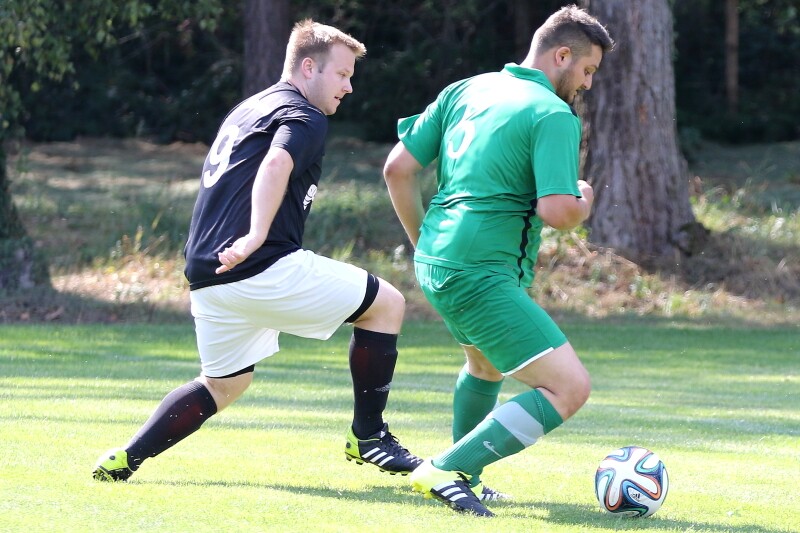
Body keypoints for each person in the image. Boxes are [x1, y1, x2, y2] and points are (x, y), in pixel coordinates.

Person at [93, 19, 421, 483]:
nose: (349, 87)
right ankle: (369, 437)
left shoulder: (250, 109)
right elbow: (275, 164)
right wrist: (253, 237)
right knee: (386, 305)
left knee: (224, 383)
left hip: (207, 275)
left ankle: (125, 458)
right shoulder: (305, 115)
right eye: (342, 74)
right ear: (308, 68)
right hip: (258, 265)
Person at [383, 5, 614, 517]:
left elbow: (397, 169)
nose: (588, 84)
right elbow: (558, 212)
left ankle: (464, 477)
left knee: (484, 365)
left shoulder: (467, 89)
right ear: (561, 56)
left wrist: (425, 243)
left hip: (440, 260)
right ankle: (445, 469)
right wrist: (585, 198)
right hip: (480, 272)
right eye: (587, 70)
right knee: (569, 388)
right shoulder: (553, 114)